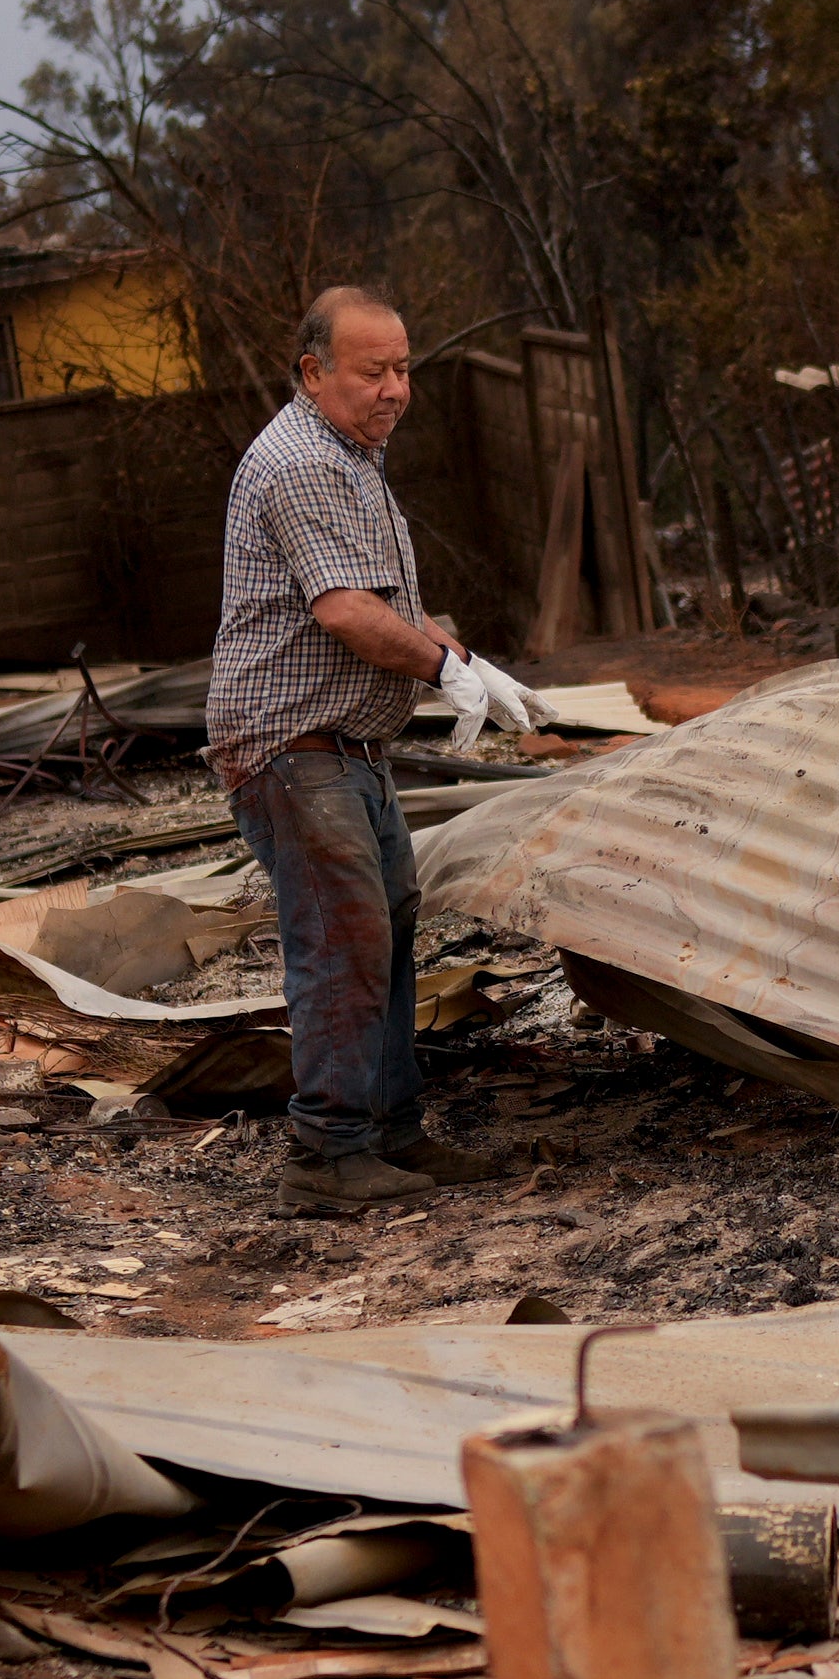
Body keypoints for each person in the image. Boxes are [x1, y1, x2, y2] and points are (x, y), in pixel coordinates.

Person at [210, 285, 516, 1210]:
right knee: (343, 936)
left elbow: (378, 598)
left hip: (346, 747)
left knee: (384, 920)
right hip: (291, 744)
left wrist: (464, 659)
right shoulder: (303, 462)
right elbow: (344, 612)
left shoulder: (354, 459)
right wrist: (438, 671)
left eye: (404, 368)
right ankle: (328, 1155)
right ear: (314, 373)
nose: (395, 389)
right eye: (372, 370)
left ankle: (390, 1134)